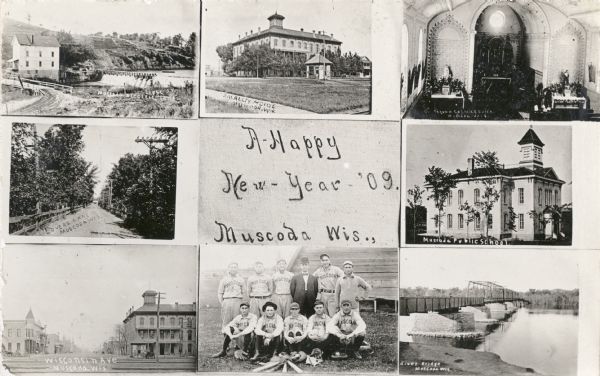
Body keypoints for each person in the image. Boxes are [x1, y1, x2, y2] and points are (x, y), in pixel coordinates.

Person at [217, 262, 246, 330]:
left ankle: (237, 339)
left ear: (237, 269)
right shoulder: (224, 280)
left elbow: (244, 292)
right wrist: (222, 303)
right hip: (227, 301)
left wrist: (242, 303)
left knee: (238, 321)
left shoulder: (241, 279)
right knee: (226, 322)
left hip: (238, 301)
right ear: (228, 269)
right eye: (231, 267)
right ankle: (226, 339)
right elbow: (220, 293)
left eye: (235, 267)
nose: (233, 269)